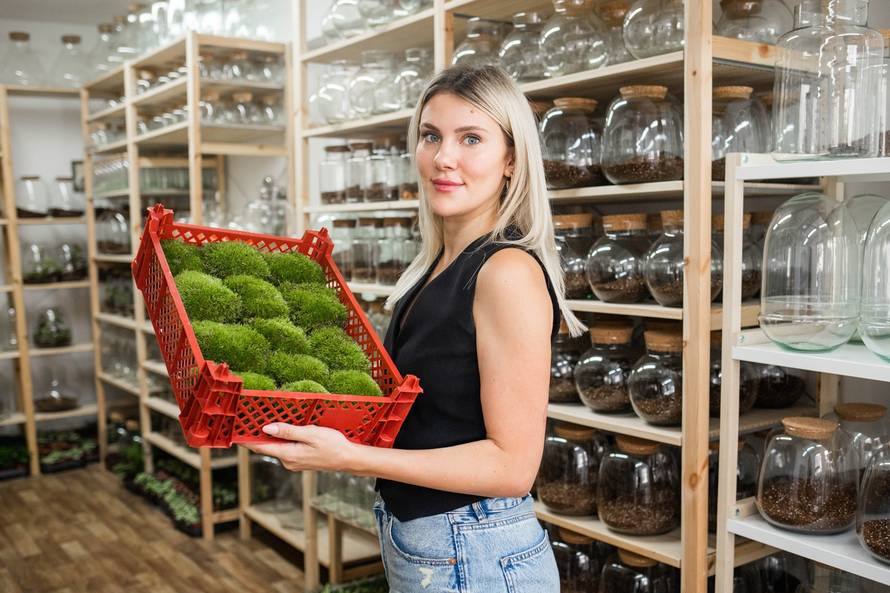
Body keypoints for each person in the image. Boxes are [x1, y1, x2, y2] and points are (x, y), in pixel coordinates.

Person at [246, 64, 585, 593]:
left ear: (512, 160)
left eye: (471, 138)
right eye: (431, 135)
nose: (443, 158)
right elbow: (427, 414)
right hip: (436, 544)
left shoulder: (506, 273)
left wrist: (351, 459)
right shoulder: (434, 268)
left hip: (477, 551)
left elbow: (512, 466)